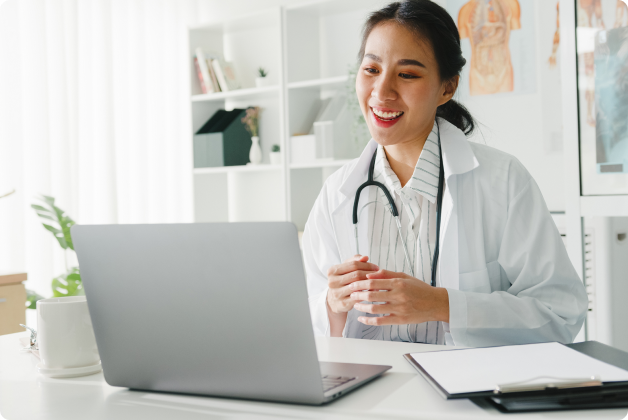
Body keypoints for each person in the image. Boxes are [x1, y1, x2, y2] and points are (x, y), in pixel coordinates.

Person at [302, 0, 587, 347]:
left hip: (467, 393)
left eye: (407, 74)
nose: (382, 92)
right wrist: (332, 305)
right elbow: (302, 327)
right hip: (365, 390)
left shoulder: (503, 181)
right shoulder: (337, 194)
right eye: (371, 70)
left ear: (447, 88)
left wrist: (442, 305)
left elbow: (560, 314)